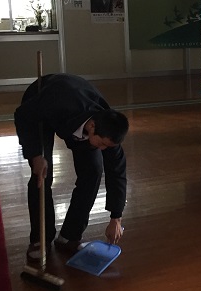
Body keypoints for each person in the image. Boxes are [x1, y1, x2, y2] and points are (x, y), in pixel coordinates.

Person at [14, 74, 129, 261]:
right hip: (41, 108)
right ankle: (40, 238)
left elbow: (117, 173)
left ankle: (69, 236)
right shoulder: (57, 101)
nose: (103, 149)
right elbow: (23, 115)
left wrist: (116, 217)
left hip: (77, 117)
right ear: (92, 126)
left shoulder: (108, 130)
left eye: (107, 146)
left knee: (93, 171)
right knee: (42, 175)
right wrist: (35, 155)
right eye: (101, 144)